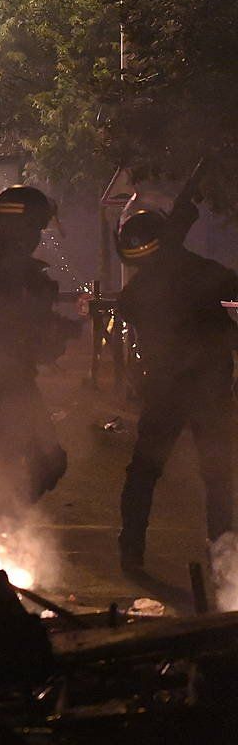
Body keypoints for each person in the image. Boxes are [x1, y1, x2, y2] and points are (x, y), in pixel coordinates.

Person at [114, 197, 238, 570]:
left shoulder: (148, 283)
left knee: (146, 473)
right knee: (214, 475)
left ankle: (132, 549)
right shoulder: (192, 271)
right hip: (202, 388)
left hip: (177, 390)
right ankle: (223, 557)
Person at [0, 185, 79, 506]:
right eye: (36, 228)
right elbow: (6, 321)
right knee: (22, 459)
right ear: (22, 228)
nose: (38, 236)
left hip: (13, 375)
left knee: (43, 462)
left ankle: (9, 523)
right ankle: (3, 527)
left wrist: (57, 330)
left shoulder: (14, 270)